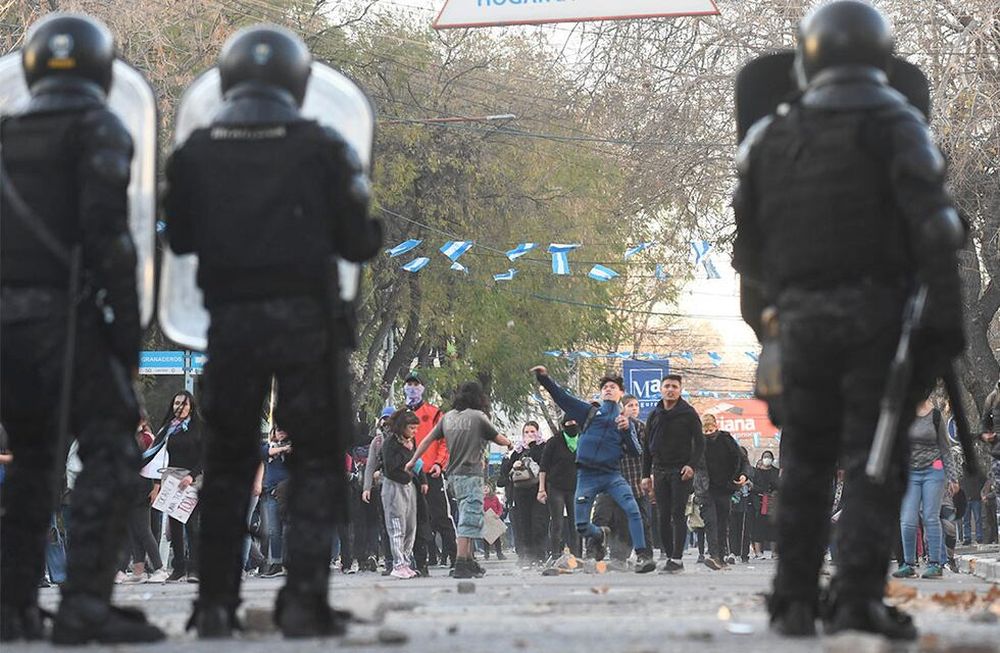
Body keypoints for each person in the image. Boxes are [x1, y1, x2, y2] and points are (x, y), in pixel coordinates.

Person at [732, 1, 966, 639]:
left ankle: (793, 599)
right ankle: (858, 596)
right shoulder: (898, 122)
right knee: (874, 459)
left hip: (799, 322)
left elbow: (748, 251)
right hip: (877, 320)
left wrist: (771, 322)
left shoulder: (769, 137)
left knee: (806, 458)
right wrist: (943, 329)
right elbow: (935, 230)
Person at [163, 24, 382, 638]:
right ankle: (304, 601)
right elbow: (357, 242)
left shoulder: (196, 151)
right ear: (297, 81)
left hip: (232, 324)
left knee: (228, 460)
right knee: (315, 459)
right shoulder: (324, 146)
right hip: (307, 325)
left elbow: (179, 237)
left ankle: (213, 604)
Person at [0, 14, 164, 644]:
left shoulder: (8, 134)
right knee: (112, 451)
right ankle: (84, 604)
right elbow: (109, 237)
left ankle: (14, 605)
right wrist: (126, 331)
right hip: (65, 320)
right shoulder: (99, 127)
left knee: (33, 461)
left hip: (8, 325)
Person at [531, 367, 656, 574]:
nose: (608, 389)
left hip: (612, 475)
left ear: (621, 393)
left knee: (633, 510)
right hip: (587, 476)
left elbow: (636, 451)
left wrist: (626, 431)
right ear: (601, 393)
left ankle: (643, 556)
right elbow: (562, 398)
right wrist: (544, 379)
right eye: (605, 387)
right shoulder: (589, 413)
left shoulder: (625, 421)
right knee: (581, 525)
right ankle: (599, 535)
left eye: (613, 387)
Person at [407, 381, 512, 578]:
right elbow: (497, 438)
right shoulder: (478, 417)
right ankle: (461, 562)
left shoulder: (447, 418)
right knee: (469, 519)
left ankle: (470, 561)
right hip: (471, 474)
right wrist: (509, 443)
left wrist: (413, 461)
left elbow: (427, 440)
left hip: (453, 476)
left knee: (466, 513)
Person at [641, 374, 704, 573]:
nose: (670, 390)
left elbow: (700, 443)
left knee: (677, 513)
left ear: (680, 390)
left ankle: (677, 558)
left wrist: (691, 465)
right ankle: (669, 556)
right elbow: (646, 447)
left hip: (681, 471)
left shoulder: (688, 413)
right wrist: (645, 475)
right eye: (667, 386)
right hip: (659, 470)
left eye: (674, 386)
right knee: (662, 514)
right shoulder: (655, 415)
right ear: (661, 389)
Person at [893, 399, 959, 579]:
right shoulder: (903, 413)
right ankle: (908, 564)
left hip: (934, 470)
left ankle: (935, 564)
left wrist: (953, 477)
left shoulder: (935, 415)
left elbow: (945, 449)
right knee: (907, 520)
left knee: (931, 516)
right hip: (910, 473)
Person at [147, 391, 204, 583]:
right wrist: (157, 482)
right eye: (177, 403)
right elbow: (155, 454)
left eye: (184, 404)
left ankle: (194, 568)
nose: (180, 407)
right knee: (174, 525)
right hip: (172, 480)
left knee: (191, 524)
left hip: (192, 480)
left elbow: (204, 456)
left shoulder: (199, 428)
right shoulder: (168, 429)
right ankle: (178, 567)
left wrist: (191, 475)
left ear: (191, 407)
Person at [402, 371, 457, 568]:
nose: (412, 388)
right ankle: (419, 561)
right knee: (412, 519)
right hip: (409, 475)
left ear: (423, 388)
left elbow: (445, 441)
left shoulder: (434, 413)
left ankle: (455, 557)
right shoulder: (400, 415)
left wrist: (439, 463)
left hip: (431, 472)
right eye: (409, 384)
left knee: (441, 517)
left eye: (416, 384)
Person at [698, 414, 750, 570]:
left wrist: (743, 475)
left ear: (716, 426)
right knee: (710, 522)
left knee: (722, 523)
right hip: (706, 488)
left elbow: (742, 460)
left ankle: (721, 557)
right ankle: (714, 556)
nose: (708, 433)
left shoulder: (726, 440)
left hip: (725, 488)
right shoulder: (698, 443)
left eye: (711, 429)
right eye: (705, 430)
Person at [382, 410, 428, 579]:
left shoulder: (411, 442)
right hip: (394, 487)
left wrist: (422, 480)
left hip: (409, 486)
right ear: (402, 427)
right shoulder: (390, 443)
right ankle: (398, 563)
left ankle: (406, 561)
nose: (415, 431)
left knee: (410, 526)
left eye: (416, 428)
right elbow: (390, 467)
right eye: (411, 428)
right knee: (397, 526)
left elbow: (416, 462)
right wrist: (406, 454)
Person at [499, 422, 549, 563]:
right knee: (524, 524)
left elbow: (544, 462)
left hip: (538, 490)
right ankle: (527, 556)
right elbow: (505, 472)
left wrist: (533, 445)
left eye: (532, 431)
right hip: (520, 492)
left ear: (538, 432)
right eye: (526, 432)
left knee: (538, 523)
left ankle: (540, 555)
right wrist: (513, 464)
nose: (529, 435)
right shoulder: (518, 450)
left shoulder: (544, 446)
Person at [539, 416, 582, 558]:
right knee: (557, 522)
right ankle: (555, 554)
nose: (573, 424)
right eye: (569, 422)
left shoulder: (582, 439)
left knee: (575, 523)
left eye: (575, 422)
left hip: (575, 487)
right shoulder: (554, 441)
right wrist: (541, 489)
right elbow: (543, 467)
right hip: (556, 486)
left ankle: (577, 555)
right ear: (563, 425)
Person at [363, 407, 395, 574]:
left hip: (401, 486)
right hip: (383, 487)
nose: (386, 423)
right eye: (384, 419)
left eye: (389, 419)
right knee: (386, 525)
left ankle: (405, 559)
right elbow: (370, 465)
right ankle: (390, 561)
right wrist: (367, 487)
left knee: (403, 525)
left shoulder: (403, 437)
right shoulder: (377, 441)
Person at [259, 426, 292, 578]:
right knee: (274, 531)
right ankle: (276, 563)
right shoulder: (269, 446)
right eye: (278, 430)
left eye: (284, 430)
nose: (281, 432)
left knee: (288, 529)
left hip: (288, 495)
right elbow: (265, 453)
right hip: (271, 493)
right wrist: (283, 448)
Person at [751, 451, 779, 558]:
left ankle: (774, 552)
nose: (767, 459)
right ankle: (758, 552)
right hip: (759, 502)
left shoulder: (776, 472)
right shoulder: (756, 472)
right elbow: (754, 486)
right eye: (765, 457)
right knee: (758, 527)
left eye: (769, 457)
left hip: (773, 502)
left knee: (773, 527)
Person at [482, 486, 506, 559]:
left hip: (494, 519)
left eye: (487, 487)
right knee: (486, 537)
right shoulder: (481, 499)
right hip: (485, 519)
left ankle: (499, 554)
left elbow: (500, 508)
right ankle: (486, 553)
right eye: (484, 488)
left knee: (497, 537)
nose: (485, 489)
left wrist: (498, 514)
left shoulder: (495, 498)